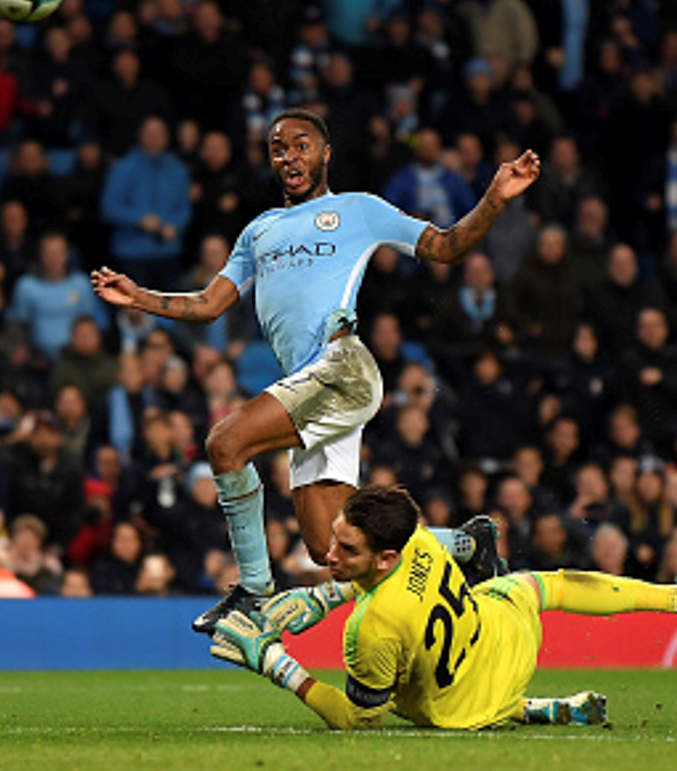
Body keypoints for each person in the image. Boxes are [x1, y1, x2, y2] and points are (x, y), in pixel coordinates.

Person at [92, 107, 536, 633]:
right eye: (279, 148)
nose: (289, 156)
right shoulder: (259, 231)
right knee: (331, 545)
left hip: (341, 366)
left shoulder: (359, 210)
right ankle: (468, 543)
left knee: (225, 443)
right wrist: (140, 296)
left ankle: (253, 593)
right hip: (309, 383)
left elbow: (445, 246)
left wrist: (494, 199)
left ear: (326, 154)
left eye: (301, 145)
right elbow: (209, 304)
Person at [209, 484, 677, 730]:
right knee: (546, 585)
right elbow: (469, 544)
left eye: (346, 550)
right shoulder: (421, 541)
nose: (329, 554)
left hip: (459, 712)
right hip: (508, 641)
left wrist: (270, 661)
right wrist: (477, 543)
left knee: (402, 680)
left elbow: (358, 723)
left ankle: (518, 709)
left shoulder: (369, 631)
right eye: (336, 540)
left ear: (386, 556)